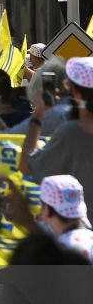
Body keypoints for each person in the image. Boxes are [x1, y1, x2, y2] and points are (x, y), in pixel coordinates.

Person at [20, 56, 93, 225]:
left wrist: (38, 118)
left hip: (83, 233)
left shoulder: (72, 133)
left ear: (74, 92)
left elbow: (26, 165)